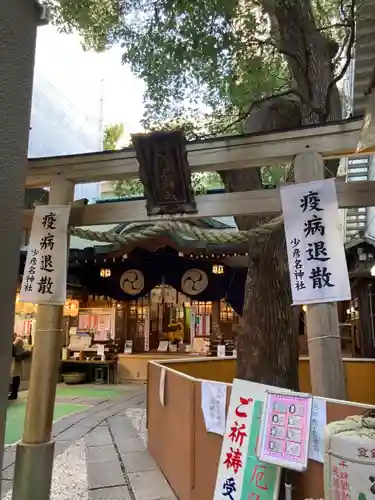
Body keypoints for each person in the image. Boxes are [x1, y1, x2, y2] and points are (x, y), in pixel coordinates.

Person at [9, 333, 31, 401]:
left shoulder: (18, 340)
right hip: (15, 361)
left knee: (15, 377)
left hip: (16, 361)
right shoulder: (18, 340)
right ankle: (14, 393)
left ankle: (14, 394)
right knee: (15, 377)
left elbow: (13, 346)